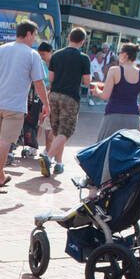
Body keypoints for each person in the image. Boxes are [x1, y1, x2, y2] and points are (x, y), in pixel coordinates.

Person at [0, 20, 47, 193]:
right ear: (28, 34)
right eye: (34, 35)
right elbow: (39, 83)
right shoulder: (32, 55)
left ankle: (0, 177)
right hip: (15, 105)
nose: (35, 39)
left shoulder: (1, 49)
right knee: (5, 144)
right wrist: (46, 105)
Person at [41, 26, 90, 177]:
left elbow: (50, 78)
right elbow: (87, 81)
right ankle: (48, 158)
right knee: (66, 131)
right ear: (82, 42)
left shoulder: (56, 55)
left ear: (69, 37)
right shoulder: (83, 58)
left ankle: (59, 163)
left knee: (57, 131)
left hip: (54, 94)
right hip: (70, 96)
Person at [91, 42, 140, 141]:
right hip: (133, 117)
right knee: (128, 150)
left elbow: (105, 96)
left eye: (119, 53)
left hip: (113, 115)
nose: (118, 56)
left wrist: (96, 91)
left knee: (106, 147)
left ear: (125, 55)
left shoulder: (114, 70)